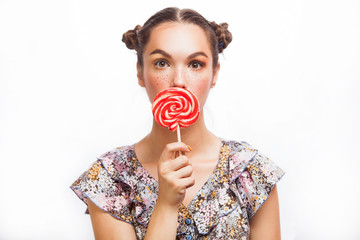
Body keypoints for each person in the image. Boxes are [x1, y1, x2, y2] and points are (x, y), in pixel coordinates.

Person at [70, 7, 285, 240]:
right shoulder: (110, 178)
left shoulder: (251, 172)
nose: (179, 81)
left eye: (195, 64)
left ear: (214, 74)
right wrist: (166, 205)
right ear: (140, 73)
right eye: (162, 63)